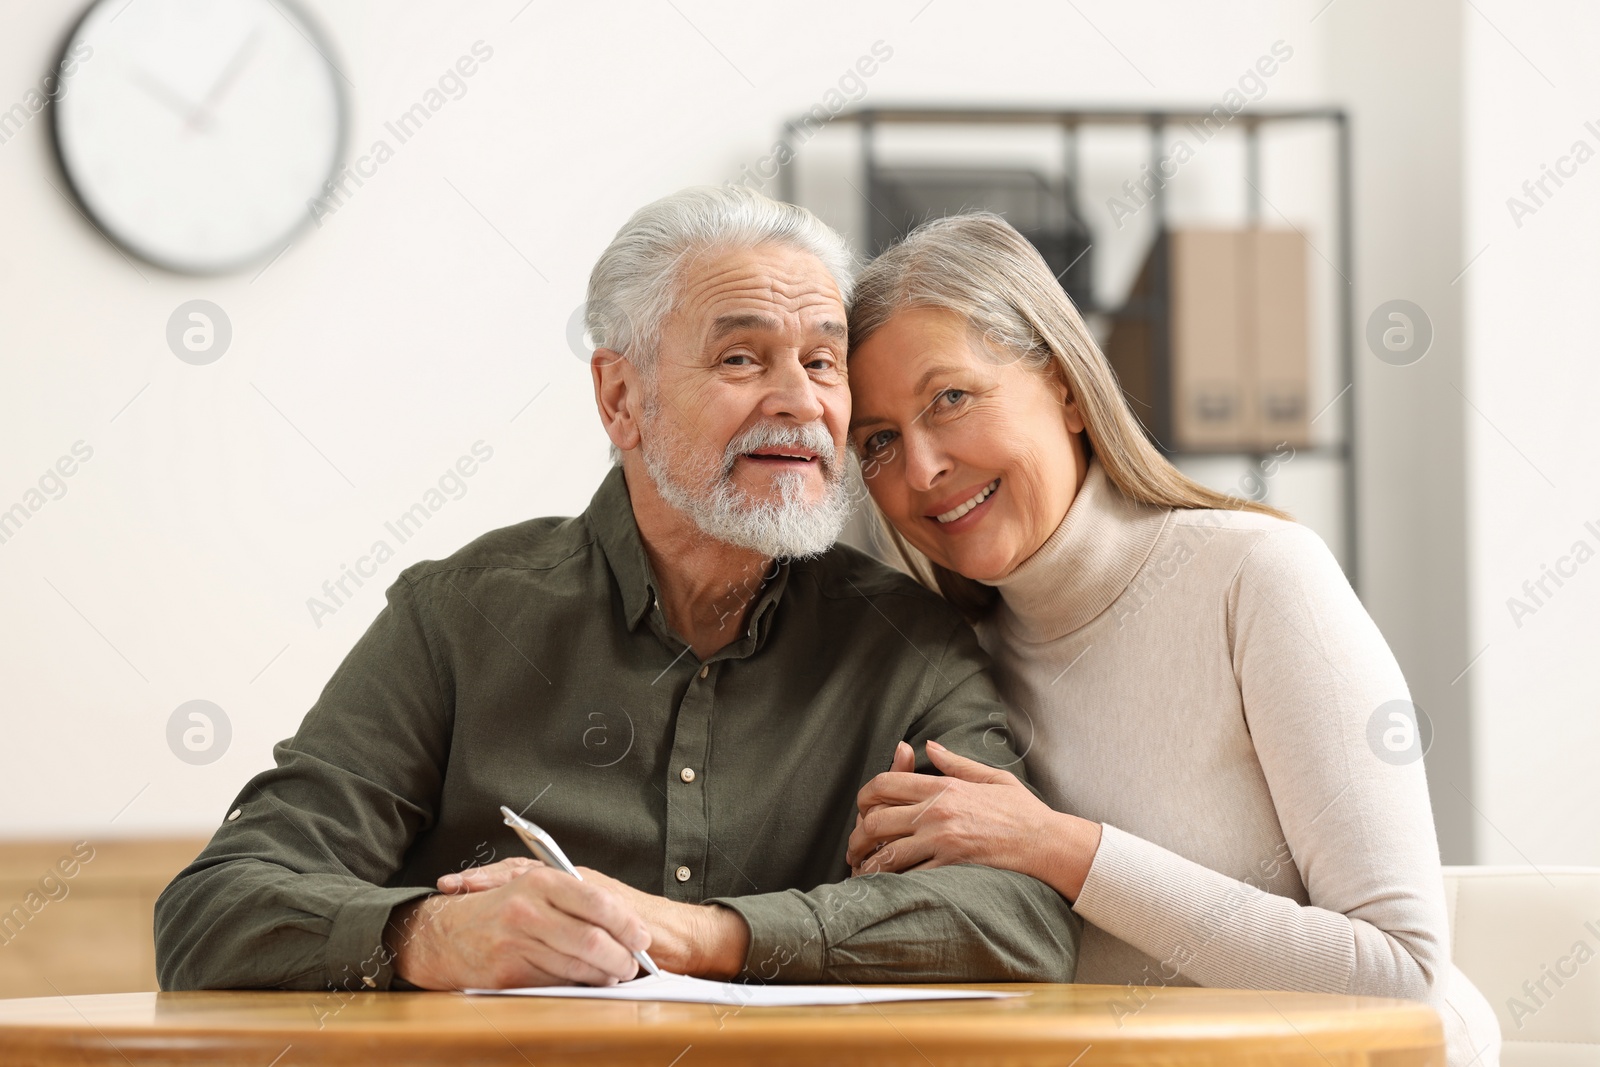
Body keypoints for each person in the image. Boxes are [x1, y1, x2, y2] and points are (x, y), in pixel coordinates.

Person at [154, 187, 1080, 994]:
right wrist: (426, 935)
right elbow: (214, 908)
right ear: (619, 397)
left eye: (823, 361)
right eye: (742, 359)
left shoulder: (909, 643)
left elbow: (1019, 916)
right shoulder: (458, 617)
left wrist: (709, 935)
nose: (801, 401)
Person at [841, 213, 1500, 1066]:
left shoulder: (1257, 578)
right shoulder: (946, 666)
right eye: (880, 440)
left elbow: (1400, 973)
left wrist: (1056, 845)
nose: (922, 467)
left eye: (952, 398)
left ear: (1068, 389)